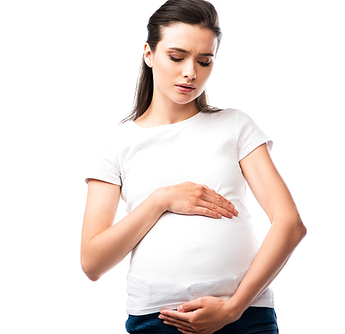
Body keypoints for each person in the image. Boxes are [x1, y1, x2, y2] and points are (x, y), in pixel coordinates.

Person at [81, 0, 307, 333]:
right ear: (148, 54)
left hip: (245, 314)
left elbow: (290, 224)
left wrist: (233, 307)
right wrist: (162, 200)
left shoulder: (236, 125)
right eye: (177, 57)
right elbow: (92, 262)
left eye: (205, 60)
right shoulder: (116, 143)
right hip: (157, 319)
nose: (191, 72)